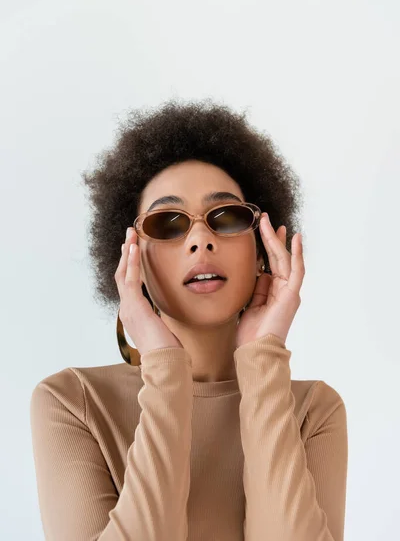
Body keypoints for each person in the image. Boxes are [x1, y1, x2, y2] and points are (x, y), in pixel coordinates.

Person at [30, 98, 348, 540]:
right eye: (168, 224)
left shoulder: (313, 411)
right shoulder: (73, 403)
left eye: (228, 217)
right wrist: (164, 368)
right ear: (130, 257)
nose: (200, 238)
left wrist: (262, 361)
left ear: (260, 249)